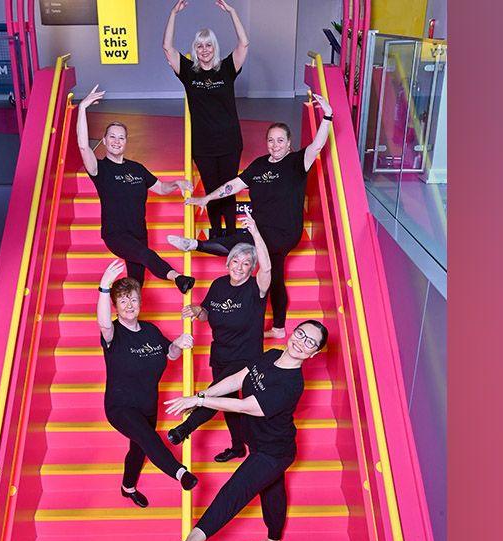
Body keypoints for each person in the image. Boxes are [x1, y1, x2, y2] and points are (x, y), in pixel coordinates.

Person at [166, 95, 334, 338]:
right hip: (262, 228)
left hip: (285, 232)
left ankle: (195, 244)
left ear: (289, 143)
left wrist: (327, 116)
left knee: (247, 243)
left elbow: (317, 145)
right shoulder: (259, 165)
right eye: (271, 141)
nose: (275, 145)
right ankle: (277, 328)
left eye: (280, 141)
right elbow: (232, 186)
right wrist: (206, 198)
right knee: (274, 275)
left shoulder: (297, 162)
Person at [164, 320, 329, 541]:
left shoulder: (291, 385)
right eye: (301, 334)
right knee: (272, 489)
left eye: (310, 342)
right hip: (259, 440)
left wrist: (199, 400)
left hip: (273, 451)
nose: (301, 342)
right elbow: (238, 378)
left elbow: (244, 406)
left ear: (314, 353)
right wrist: (202, 394)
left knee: (235, 490)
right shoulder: (271, 355)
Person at [167, 210, 271, 463]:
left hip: (246, 359)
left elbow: (267, 267)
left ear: (252, 268)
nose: (240, 267)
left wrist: (255, 232)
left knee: (215, 395)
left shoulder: (256, 289)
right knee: (225, 402)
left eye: (246, 263)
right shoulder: (218, 285)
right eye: (236, 261)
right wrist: (197, 310)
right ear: (228, 263)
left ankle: (184, 429)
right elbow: (208, 314)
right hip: (221, 354)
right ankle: (238, 447)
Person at [97, 260, 200, 508]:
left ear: (140, 303)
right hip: (120, 407)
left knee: (139, 449)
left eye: (133, 299)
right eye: (123, 301)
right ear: (116, 307)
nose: (129, 305)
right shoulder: (113, 334)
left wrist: (179, 343)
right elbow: (103, 323)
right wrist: (103, 288)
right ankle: (180, 473)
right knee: (148, 437)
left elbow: (171, 354)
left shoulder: (151, 331)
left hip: (147, 405)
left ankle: (127, 487)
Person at [78, 85, 196, 293]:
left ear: (126, 142)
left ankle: (123, 323)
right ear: (104, 141)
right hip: (116, 235)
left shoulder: (137, 169)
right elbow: (82, 146)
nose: (116, 141)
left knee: (136, 284)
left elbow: (160, 188)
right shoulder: (100, 169)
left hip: (138, 233)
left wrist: (176, 183)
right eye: (112, 137)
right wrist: (82, 108)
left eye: (121, 137)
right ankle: (179, 279)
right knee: (146, 255)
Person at [163, 0, 249, 237]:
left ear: (214, 47)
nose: (204, 49)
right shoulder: (189, 72)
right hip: (203, 146)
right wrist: (173, 14)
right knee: (211, 189)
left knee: (229, 189)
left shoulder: (227, 68)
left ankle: (231, 234)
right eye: (199, 46)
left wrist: (232, 12)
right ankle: (217, 234)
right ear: (195, 48)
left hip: (230, 142)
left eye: (208, 45)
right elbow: (167, 47)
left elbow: (244, 43)